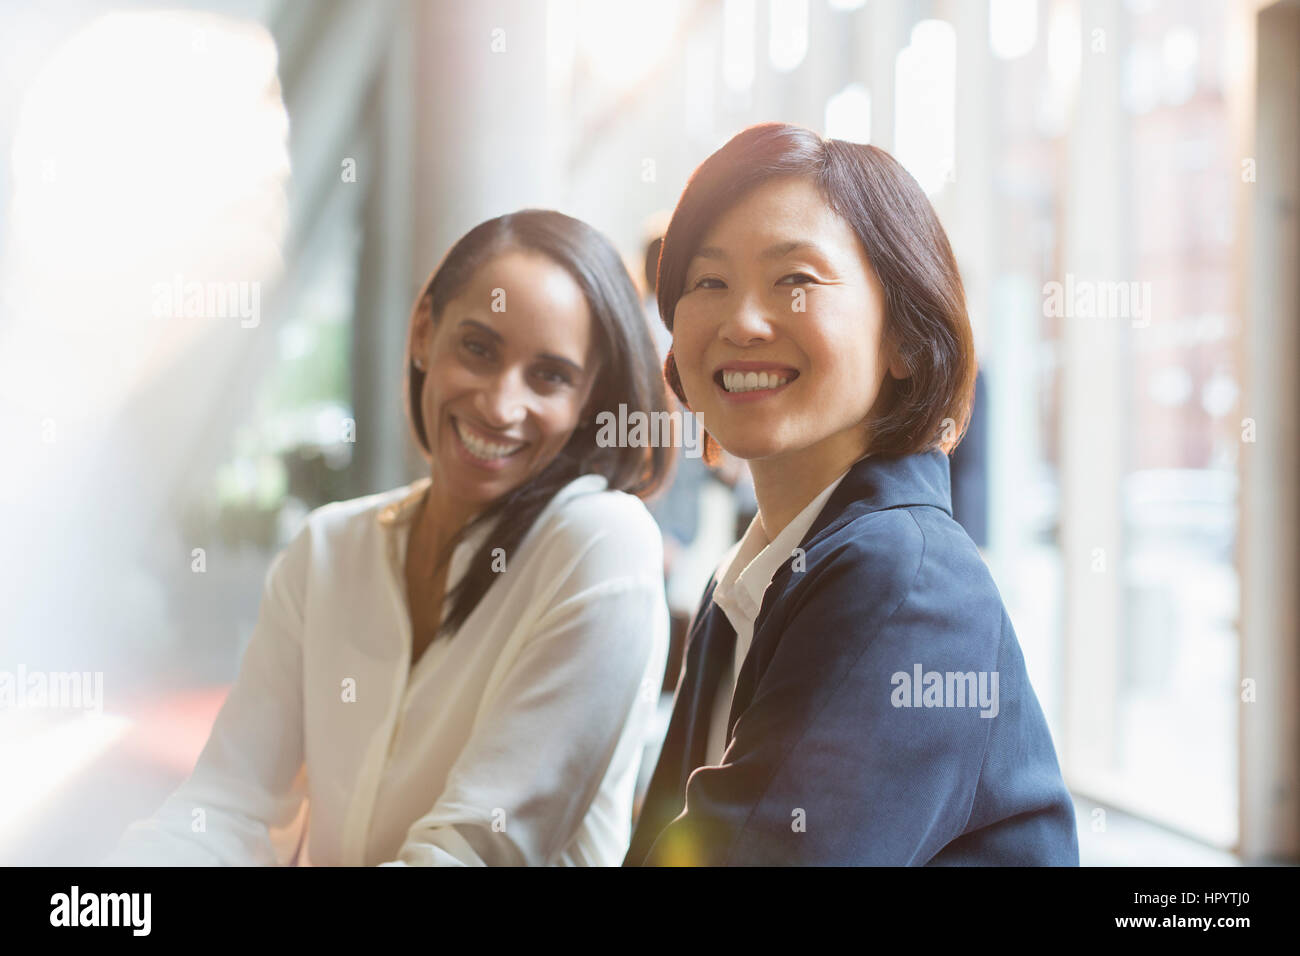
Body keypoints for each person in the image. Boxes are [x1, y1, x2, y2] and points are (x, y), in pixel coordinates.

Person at [105, 209, 672, 866]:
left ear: (587, 402)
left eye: (549, 377)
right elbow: (229, 804)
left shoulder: (603, 544)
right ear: (425, 334)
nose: (500, 404)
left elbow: (473, 853)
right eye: (479, 349)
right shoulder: (327, 551)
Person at [625, 124, 1078, 865]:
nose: (741, 321)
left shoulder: (905, 578)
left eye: (795, 280)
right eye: (708, 283)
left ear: (904, 335)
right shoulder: (743, 585)